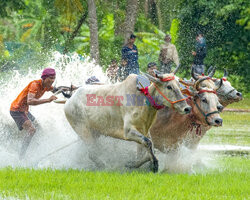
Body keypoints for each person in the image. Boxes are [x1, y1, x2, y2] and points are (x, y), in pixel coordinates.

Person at [10, 68, 73, 159]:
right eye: (50, 78)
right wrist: (48, 100)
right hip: (16, 110)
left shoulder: (46, 86)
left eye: (54, 78)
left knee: (38, 129)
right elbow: (30, 101)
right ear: (44, 77)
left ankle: (34, 151)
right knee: (32, 130)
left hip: (25, 111)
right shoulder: (35, 85)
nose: (52, 80)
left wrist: (72, 88)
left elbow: (57, 89)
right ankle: (21, 157)